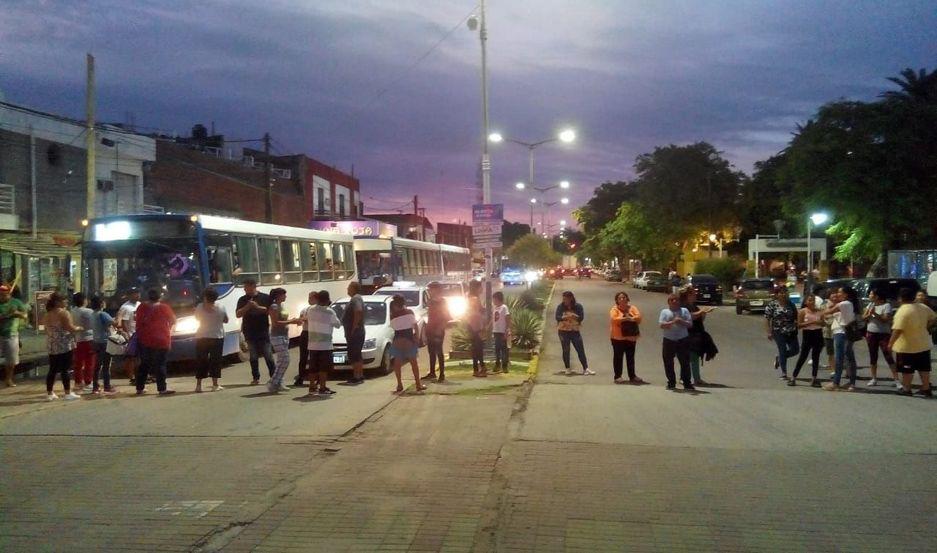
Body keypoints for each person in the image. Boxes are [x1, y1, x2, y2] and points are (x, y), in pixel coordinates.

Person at [889, 287, 936, 397]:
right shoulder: (923, 307)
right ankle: (926, 388)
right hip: (923, 343)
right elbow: (934, 317)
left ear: (900, 298)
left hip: (907, 346)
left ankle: (907, 389)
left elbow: (897, 330)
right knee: (924, 368)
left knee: (907, 369)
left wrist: (890, 343)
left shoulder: (903, 311)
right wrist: (926, 326)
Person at [134, 288, 177, 396]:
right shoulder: (164, 307)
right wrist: (168, 330)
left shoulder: (141, 307)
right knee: (160, 364)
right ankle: (162, 389)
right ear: (160, 297)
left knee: (144, 364)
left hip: (145, 339)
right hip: (162, 339)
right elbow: (173, 321)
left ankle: (140, 388)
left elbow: (137, 320)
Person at [43, 293, 82, 400]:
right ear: (57, 302)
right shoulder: (64, 313)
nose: (67, 302)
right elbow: (70, 328)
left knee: (52, 369)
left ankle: (49, 393)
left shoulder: (47, 314)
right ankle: (67, 392)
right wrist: (79, 328)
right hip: (64, 344)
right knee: (65, 369)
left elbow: (46, 330)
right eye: (64, 300)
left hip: (52, 344)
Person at [236, 279, 275, 385]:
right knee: (253, 355)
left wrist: (257, 307)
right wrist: (247, 307)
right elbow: (238, 314)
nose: (244, 289)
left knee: (268, 354)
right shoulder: (243, 299)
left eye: (246, 287)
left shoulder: (265, 297)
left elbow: (270, 311)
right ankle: (256, 377)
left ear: (253, 286)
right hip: (249, 330)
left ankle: (274, 377)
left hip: (262, 330)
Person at [305, 290, 341, 396]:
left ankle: (312, 387)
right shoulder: (330, 312)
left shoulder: (310, 310)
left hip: (312, 343)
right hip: (325, 344)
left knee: (313, 367)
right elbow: (338, 324)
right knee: (323, 368)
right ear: (327, 300)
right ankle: (322, 387)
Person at [822, 287, 859, 392]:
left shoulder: (843, 304)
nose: (837, 294)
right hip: (842, 332)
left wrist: (828, 306)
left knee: (840, 358)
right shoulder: (846, 304)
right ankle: (852, 383)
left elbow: (826, 312)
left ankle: (836, 383)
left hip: (841, 333)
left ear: (846, 294)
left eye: (839, 292)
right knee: (849, 357)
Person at [389, 294, 426, 393]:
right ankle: (418, 384)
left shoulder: (393, 316)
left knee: (397, 364)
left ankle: (399, 384)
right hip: (409, 339)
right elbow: (415, 326)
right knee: (414, 363)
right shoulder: (410, 312)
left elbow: (393, 327)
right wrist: (417, 337)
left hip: (398, 339)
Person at [267, 287, 302, 393]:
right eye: (283, 294)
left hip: (284, 335)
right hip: (277, 336)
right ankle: (273, 382)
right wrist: (292, 321)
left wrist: (294, 321)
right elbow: (275, 322)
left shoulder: (281, 306)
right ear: (278, 295)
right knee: (285, 360)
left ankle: (279, 382)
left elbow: (284, 319)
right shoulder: (274, 307)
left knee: (281, 360)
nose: (285, 296)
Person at [194, 288, 228, 393]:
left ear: (205, 297)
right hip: (217, 336)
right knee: (215, 361)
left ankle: (198, 386)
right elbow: (226, 320)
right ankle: (215, 385)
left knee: (201, 360)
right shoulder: (221, 307)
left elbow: (197, 318)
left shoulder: (199, 307)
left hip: (201, 336)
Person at [680, 287, 716, 386]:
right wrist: (701, 312)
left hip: (697, 333)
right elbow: (689, 316)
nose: (696, 295)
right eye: (694, 294)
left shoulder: (693, 305)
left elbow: (699, 318)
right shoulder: (683, 306)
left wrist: (704, 313)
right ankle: (685, 378)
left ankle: (696, 378)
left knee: (694, 356)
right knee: (688, 357)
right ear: (688, 295)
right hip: (687, 334)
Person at [863, 289, 898, 387]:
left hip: (883, 334)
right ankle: (874, 378)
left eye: (871, 294)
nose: (869, 295)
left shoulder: (886, 306)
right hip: (871, 333)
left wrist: (874, 314)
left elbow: (885, 319)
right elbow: (863, 317)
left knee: (888, 355)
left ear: (877, 296)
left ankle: (896, 379)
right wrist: (869, 314)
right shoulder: (870, 305)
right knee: (873, 356)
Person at [659, 294, 694, 391]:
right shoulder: (665, 312)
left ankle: (687, 382)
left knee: (685, 362)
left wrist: (681, 321)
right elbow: (661, 325)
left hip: (682, 339)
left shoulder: (684, 311)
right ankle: (671, 382)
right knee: (668, 362)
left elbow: (690, 324)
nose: (674, 301)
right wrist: (672, 322)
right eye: (672, 300)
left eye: (676, 300)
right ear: (669, 302)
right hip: (669, 340)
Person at [765, 286, 800, 381]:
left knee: (795, 350)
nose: (783, 294)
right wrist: (769, 332)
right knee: (782, 350)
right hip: (778, 331)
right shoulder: (772, 305)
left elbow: (796, 317)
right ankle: (784, 373)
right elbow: (767, 319)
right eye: (781, 292)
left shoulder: (791, 305)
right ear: (777, 294)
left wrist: (797, 325)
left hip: (791, 331)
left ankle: (779, 358)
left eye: (785, 292)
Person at [609, 291, 644, 384]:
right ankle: (618, 376)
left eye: (624, 297)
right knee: (618, 357)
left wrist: (631, 318)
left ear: (627, 299)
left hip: (631, 337)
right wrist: (626, 318)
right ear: (617, 300)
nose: (622, 299)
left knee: (630, 357)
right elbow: (614, 319)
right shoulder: (614, 309)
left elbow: (639, 318)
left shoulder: (632, 308)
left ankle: (632, 376)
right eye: (620, 298)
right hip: (617, 338)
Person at [555, 291, 593, 376]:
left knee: (580, 349)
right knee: (566, 350)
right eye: (564, 299)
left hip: (574, 330)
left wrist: (574, 316)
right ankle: (567, 368)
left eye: (567, 299)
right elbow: (557, 317)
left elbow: (581, 317)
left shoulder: (578, 306)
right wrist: (564, 317)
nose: (565, 301)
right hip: (563, 331)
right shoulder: (560, 307)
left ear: (571, 298)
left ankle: (585, 368)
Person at [790, 294, 824, 386]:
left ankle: (814, 378)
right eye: (809, 300)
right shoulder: (803, 311)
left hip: (817, 333)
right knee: (803, 356)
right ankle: (793, 377)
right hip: (807, 334)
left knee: (815, 357)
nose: (812, 302)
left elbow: (823, 323)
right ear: (806, 302)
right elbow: (799, 325)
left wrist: (820, 322)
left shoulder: (819, 311)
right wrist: (811, 322)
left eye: (813, 300)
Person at [0, 284, 28, 387]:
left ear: (9, 294)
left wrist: (17, 313)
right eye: (0, 295)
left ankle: (8, 379)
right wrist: (6, 315)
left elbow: (25, 315)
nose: (2, 297)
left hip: (11, 334)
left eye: (4, 294)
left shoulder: (16, 302)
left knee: (11, 360)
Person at [423, 282, 451, 382]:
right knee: (431, 352)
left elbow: (446, 317)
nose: (429, 291)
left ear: (436, 289)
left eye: (431, 289)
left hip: (438, 330)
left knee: (439, 351)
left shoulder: (442, 302)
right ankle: (432, 373)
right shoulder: (430, 301)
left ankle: (442, 374)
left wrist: (440, 328)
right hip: (430, 329)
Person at [89, 296, 117, 394]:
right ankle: (107, 386)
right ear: (101, 303)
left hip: (96, 341)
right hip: (105, 342)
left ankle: (95, 387)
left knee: (97, 365)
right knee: (106, 365)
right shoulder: (103, 314)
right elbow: (115, 323)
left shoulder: (92, 314)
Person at [70, 292, 96, 392]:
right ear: (84, 300)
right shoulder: (88, 311)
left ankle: (78, 383)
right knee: (90, 362)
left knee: (78, 362)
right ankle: (88, 382)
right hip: (88, 339)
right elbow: (93, 324)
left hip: (77, 339)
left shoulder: (72, 311)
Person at [292, 291, 319, 387]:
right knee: (303, 357)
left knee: (314, 357)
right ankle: (301, 377)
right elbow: (300, 322)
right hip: (305, 333)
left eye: (311, 298)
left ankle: (317, 378)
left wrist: (303, 319)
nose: (309, 300)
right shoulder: (304, 309)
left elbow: (310, 319)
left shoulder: (318, 309)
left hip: (314, 333)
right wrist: (299, 320)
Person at [342, 281, 366, 385]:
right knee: (356, 354)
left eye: (349, 287)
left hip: (355, 332)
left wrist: (354, 326)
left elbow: (358, 311)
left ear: (353, 288)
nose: (347, 289)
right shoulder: (356, 298)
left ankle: (357, 376)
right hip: (355, 331)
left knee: (354, 354)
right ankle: (359, 375)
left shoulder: (356, 298)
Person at [116, 288, 141, 385]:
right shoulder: (125, 307)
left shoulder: (140, 304)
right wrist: (126, 334)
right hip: (131, 334)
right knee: (131, 357)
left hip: (140, 333)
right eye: (134, 293)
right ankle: (132, 376)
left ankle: (140, 375)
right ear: (129, 295)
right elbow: (122, 322)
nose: (137, 295)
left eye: (138, 293)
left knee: (139, 357)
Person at [467, 293, 488, 377]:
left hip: (477, 333)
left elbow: (481, 323)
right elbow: (470, 324)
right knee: (477, 352)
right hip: (475, 333)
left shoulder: (476, 312)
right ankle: (479, 368)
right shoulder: (473, 312)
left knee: (477, 352)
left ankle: (479, 368)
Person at [491, 291, 511, 373]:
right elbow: (493, 319)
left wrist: (507, 330)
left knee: (504, 350)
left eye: (494, 299)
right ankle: (497, 364)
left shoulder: (504, 307)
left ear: (498, 299)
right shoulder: (495, 308)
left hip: (502, 332)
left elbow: (508, 318)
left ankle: (504, 366)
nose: (493, 301)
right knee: (497, 349)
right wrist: (488, 326)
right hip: (496, 331)